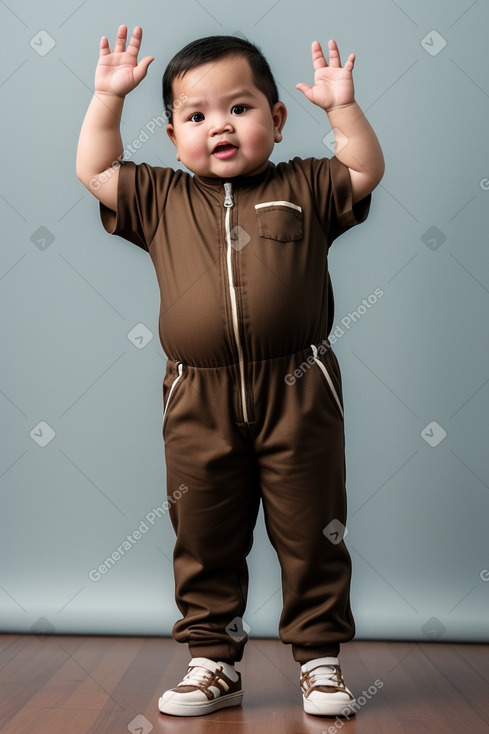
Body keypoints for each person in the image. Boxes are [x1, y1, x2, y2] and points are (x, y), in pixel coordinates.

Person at [76, 25, 384, 718]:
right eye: (196, 115)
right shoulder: (158, 197)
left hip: (298, 390)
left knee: (311, 528)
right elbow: (95, 170)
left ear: (275, 121)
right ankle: (212, 660)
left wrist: (342, 111)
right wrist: (105, 97)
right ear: (173, 132)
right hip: (196, 395)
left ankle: (320, 662)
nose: (219, 125)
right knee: (204, 530)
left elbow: (362, 170)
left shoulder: (303, 182)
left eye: (239, 109)